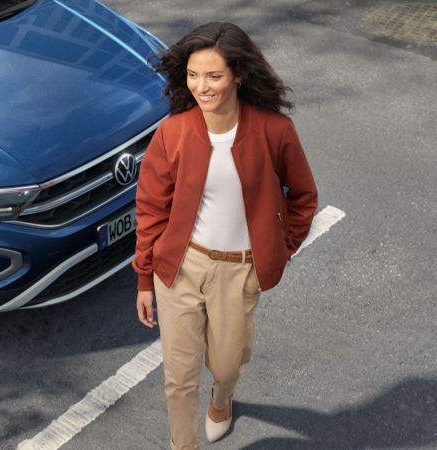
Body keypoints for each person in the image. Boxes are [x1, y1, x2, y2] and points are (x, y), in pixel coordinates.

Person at [133, 22, 318, 450]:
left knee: (227, 363)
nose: (202, 86)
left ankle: (223, 397)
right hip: (180, 268)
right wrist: (145, 277)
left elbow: (304, 196)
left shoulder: (275, 131)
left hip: (240, 270)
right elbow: (151, 209)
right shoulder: (172, 132)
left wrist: (279, 249)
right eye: (194, 75)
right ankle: (185, 445)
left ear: (237, 75)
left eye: (214, 76)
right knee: (178, 377)